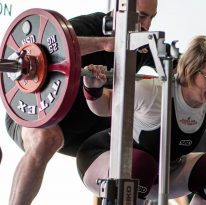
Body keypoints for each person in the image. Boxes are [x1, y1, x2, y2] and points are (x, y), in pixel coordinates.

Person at [5, 0, 157, 204]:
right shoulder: (91, 25)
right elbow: (54, 45)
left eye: (151, 17)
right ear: (120, 10)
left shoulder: (141, 43)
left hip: (86, 128)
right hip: (39, 113)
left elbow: (182, 69)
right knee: (46, 138)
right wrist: (104, 43)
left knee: (142, 150)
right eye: (140, 16)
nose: (146, 25)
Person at [77, 35, 206, 205]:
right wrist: (92, 88)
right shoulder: (151, 93)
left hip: (157, 173)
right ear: (190, 70)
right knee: (143, 164)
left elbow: (188, 117)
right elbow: (103, 107)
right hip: (102, 160)